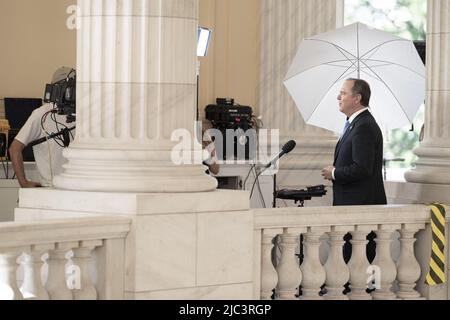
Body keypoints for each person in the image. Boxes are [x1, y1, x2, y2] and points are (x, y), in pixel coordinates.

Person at [321, 78, 387, 267]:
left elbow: (362, 168)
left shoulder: (364, 126)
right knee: (351, 256)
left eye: (343, 93)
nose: (338, 97)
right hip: (353, 205)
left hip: (361, 205)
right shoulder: (355, 123)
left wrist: (334, 173)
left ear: (357, 98)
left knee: (361, 259)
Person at [9, 67, 75, 188]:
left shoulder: (82, 115)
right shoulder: (41, 115)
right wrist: (24, 183)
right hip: (51, 189)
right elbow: (14, 149)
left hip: (77, 189)